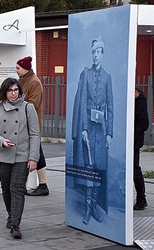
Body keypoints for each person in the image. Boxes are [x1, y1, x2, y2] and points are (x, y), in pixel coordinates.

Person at [0, 77, 40, 239]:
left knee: (17, 189)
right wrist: (1, 141)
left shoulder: (28, 108)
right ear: (4, 92)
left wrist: (33, 158)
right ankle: (11, 214)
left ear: (19, 91)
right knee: (6, 188)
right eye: (10, 90)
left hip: (22, 155)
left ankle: (16, 224)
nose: (13, 93)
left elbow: (35, 134)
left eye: (15, 90)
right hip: (3, 155)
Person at [71, 35, 114, 225]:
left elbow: (110, 108)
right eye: (93, 52)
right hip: (88, 128)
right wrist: (84, 130)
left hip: (101, 131)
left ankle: (95, 206)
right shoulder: (85, 74)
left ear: (102, 54)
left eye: (99, 52)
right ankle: (87, 209)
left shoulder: (107, 77)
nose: (96, 55)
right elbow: (81, 104)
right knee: (89, 169)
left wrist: (109, 133)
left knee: (98, 169)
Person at [16, 56, 49, 196]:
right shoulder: (23, 80)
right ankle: (36, 184)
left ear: (25, 68)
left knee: (37, 153)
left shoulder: (34, 82)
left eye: (18, 68)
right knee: (31, 152)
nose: (16, 70)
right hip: (23, 123)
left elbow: (33, 105)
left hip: (31, 125)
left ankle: (43, 184)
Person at [133, 88, 149, 210]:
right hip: (122, 139)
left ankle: (141, 198)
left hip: (133, 140)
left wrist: (133, 136)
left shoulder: (139, 99)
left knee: (134, 169)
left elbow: (144, 122)